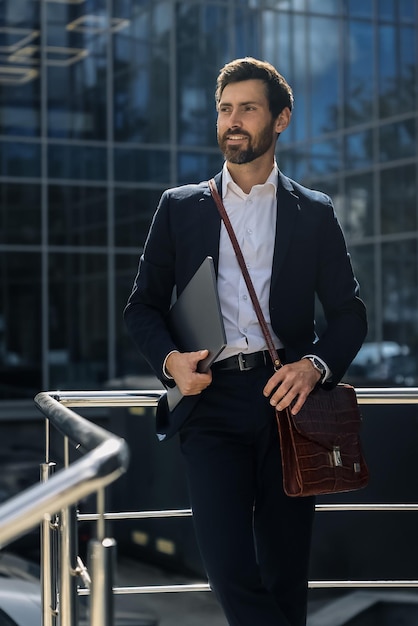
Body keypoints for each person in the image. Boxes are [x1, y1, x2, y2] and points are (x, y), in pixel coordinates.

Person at [124, 57, 367, 626]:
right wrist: (169, 363)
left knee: (286, 574)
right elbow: (142, 306)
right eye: (224, 110)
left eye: (247, 109)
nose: (232, 121)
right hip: (209, 403)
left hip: (291, 405)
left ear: (280, 120)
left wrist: (315, 366)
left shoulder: (314, 212)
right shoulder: (179, 208)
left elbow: (350, 316)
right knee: (229, 569)